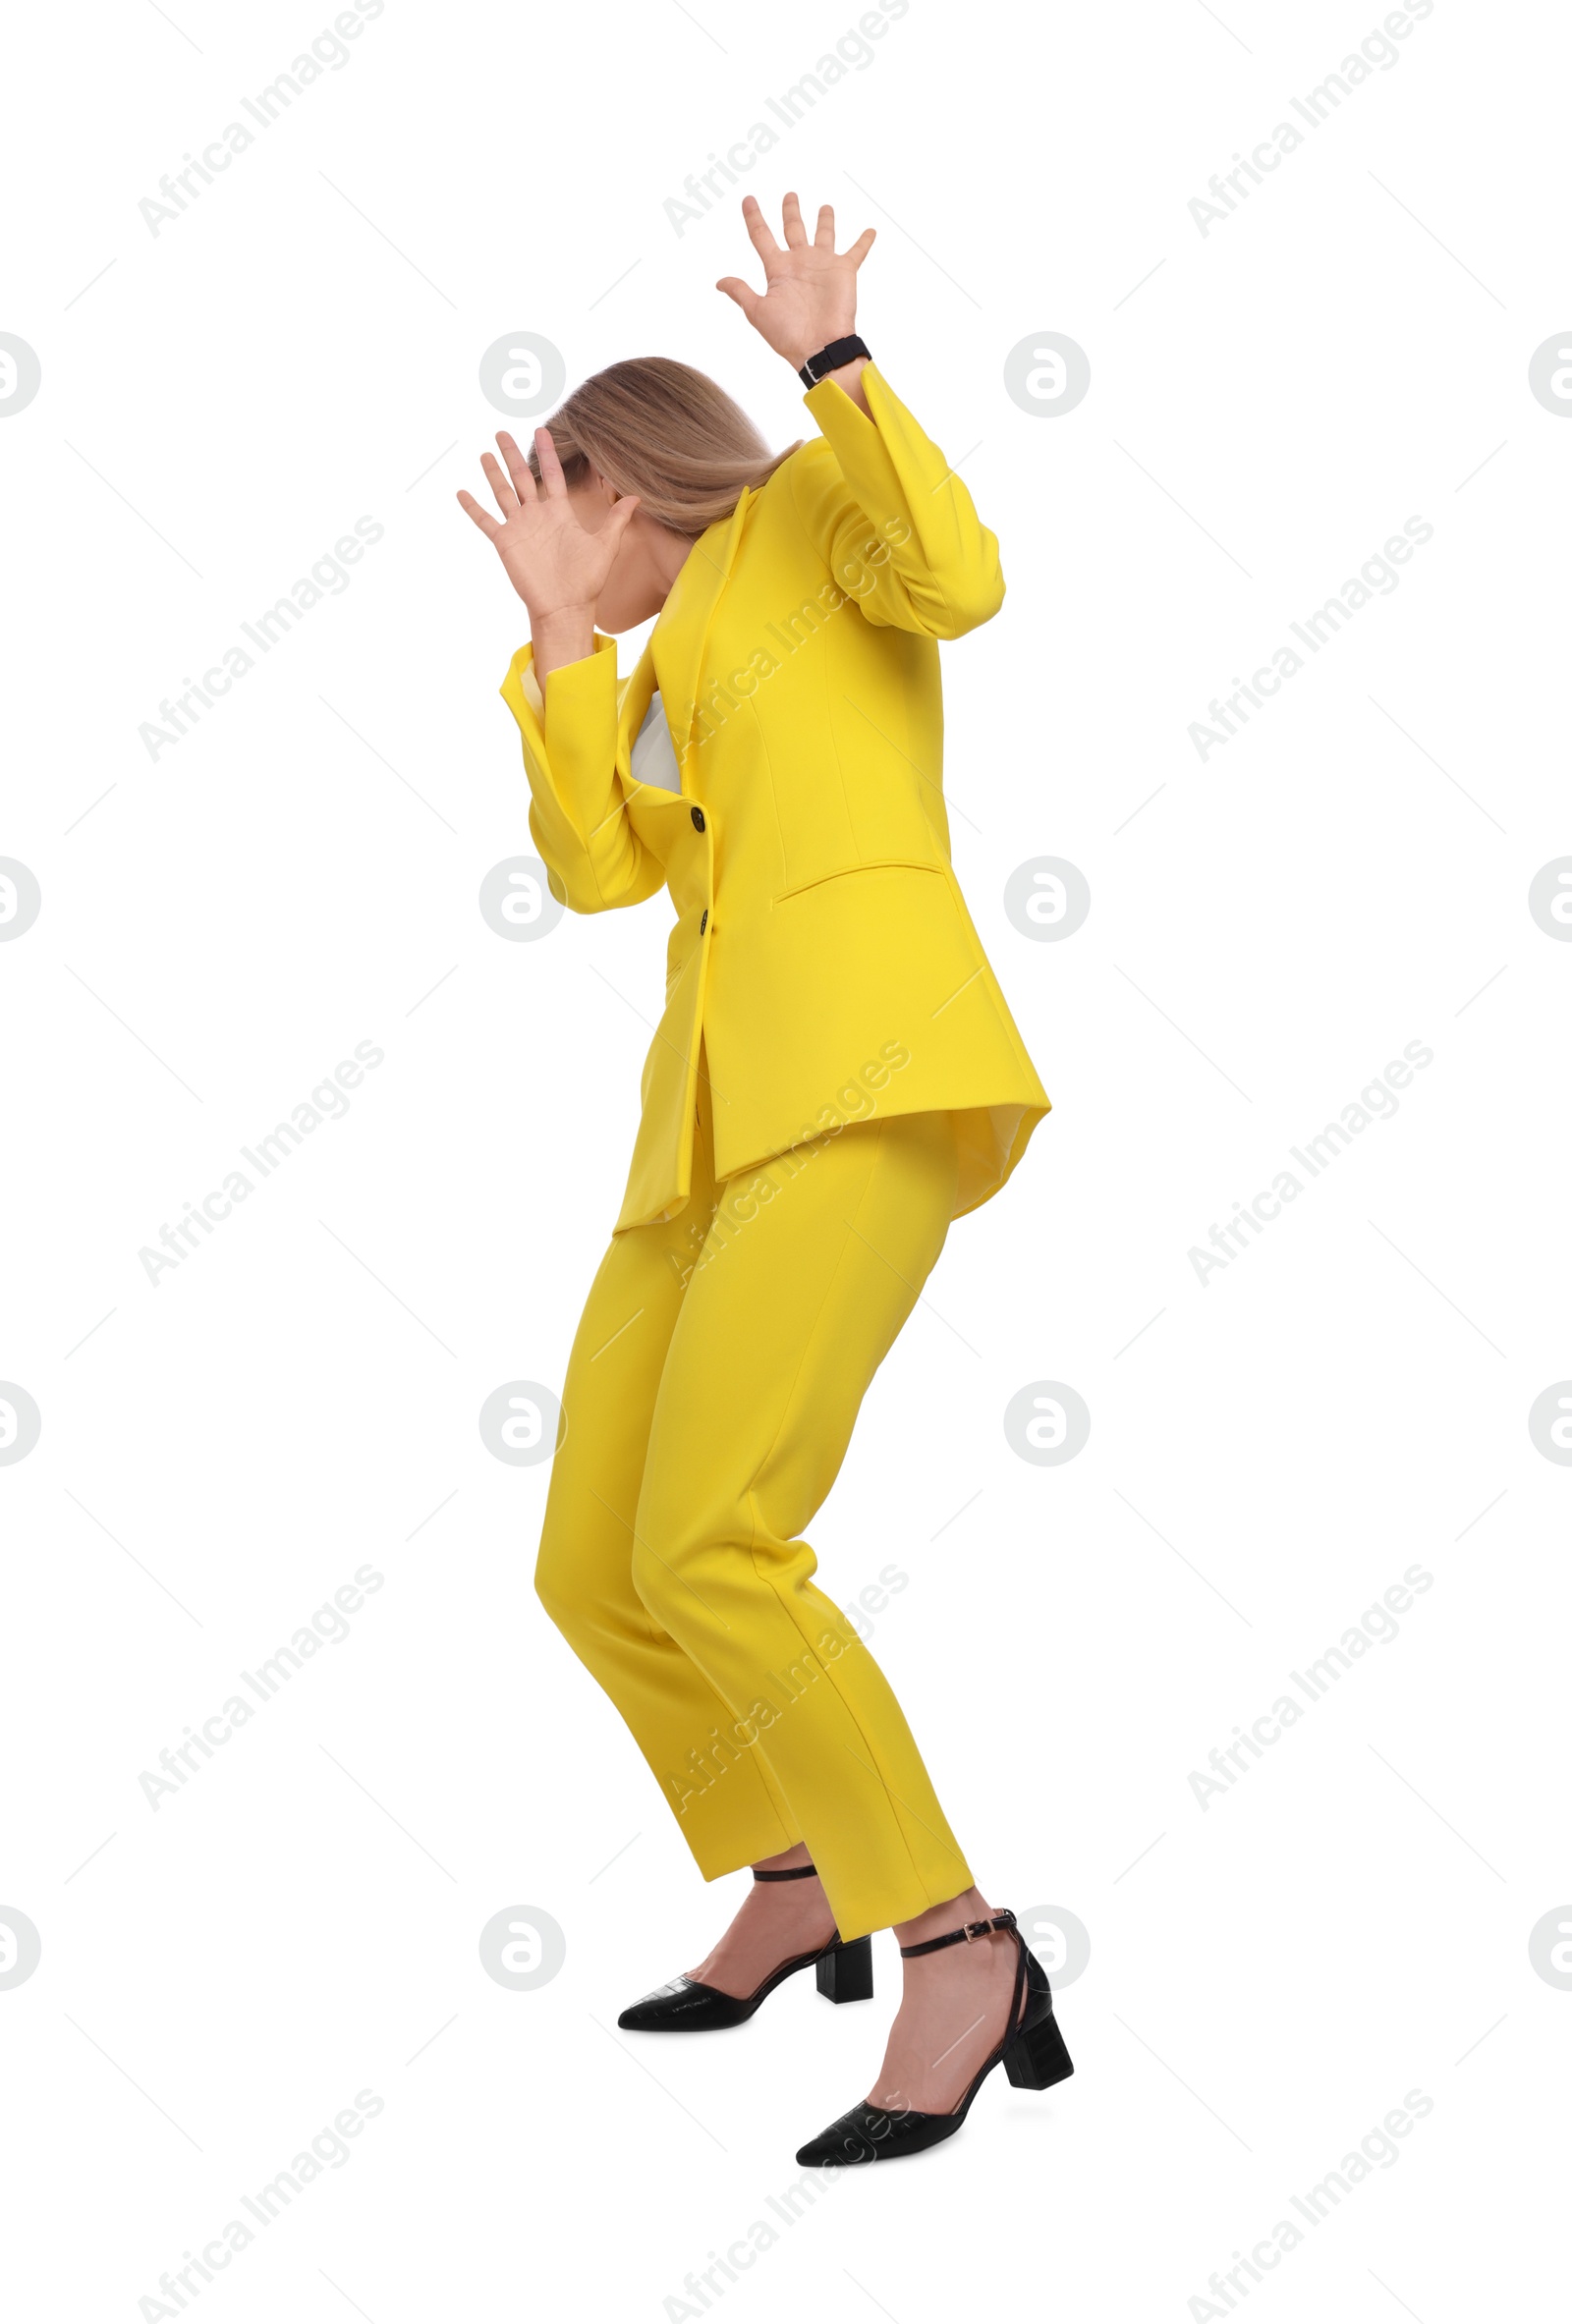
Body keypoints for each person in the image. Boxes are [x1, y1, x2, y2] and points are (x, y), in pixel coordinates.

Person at [458, 193, 1072, 2164]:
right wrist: (554, 642)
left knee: (713, 1536)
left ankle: (957, 1942)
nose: (570, 561)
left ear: (636, 484)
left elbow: (960, 575)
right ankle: (792, 1863)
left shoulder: (815, 508)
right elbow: (597, 870)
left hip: (867, 1074)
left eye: (574, 527)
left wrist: (835, 359)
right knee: (594, 1560)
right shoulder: (635, 664)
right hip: (701, 1130)